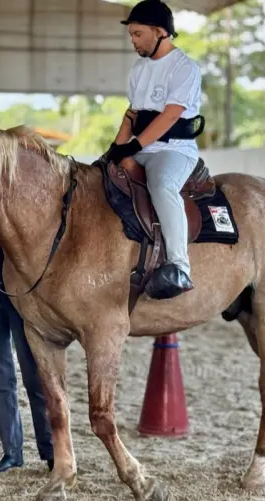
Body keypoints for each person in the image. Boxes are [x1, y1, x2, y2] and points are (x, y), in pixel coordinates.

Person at [105, 0, 204, 300]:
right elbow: (132, 114)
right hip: (142, 147)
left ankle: (179, 265)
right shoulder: (139, 69)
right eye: (131, 35)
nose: (133, 41)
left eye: (138, 34)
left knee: (161, 185)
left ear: (160, 32)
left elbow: (170, 116)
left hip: (174, 149)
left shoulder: (184, 68)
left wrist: (134, 146)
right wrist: (115, 149)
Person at [0, 229, 54, 473]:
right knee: (0, 378)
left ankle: (51, 450)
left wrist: (12, 234)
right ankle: (12, 452)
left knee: (34, 375)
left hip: (23, 284)